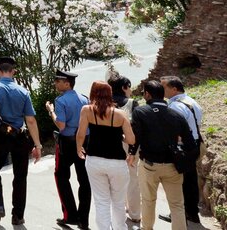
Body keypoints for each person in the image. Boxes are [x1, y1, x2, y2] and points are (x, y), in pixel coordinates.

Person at [0, 56, 42, 225]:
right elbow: (31, 120)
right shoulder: (23, 92)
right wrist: (37, 145)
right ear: (13, 72)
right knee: (20, 176)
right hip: (20, 136)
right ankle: (18, 215)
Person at [129, 80, 197, 230]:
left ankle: (147, 228)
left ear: (147, 94)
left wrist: (131, 153)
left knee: (148, 200)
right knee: (177, 205)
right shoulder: (177, 115)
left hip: (149, 165)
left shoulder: (140, 112)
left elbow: (136, 137)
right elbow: (191, 143)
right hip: (173, 165)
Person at [76, 80, 136, 230]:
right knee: (118, 201)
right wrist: (120, 137)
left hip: (94, 160)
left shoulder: (87, 110)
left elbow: (80, 134)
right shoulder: (120, 114)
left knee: (101, 201)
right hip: (116, 162)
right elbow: (131, 139)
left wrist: (78, 148)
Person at [47, 70, 90, 229]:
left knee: (61, 176)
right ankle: (83, 220)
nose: (56, 83)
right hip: (84, 141)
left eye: (58, 81)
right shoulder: (85, 99)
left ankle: (70, 215)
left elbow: (61, 125)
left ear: (67, 83)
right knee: (84, 181)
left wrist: (51, 111)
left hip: (67, 143)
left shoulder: (60, 101)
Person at [162, 76, 205, 225]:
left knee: (179, 182)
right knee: (191, 180)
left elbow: (175, 129)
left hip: (182, 146)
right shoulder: (192, 102)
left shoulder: (174, 106)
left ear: (174, 89)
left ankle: (180, 214)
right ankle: (192, 212)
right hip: (194, 143)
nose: (163, 90)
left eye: (165, 87)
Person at [109, 73, 141, 225]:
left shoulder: (105, 103)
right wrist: (133, 150)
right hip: (129, 145)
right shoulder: (132, 103)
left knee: (114, 179)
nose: (130, 90)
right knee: (132, 179)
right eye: (129, 87)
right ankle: (134, 213)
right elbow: (137, 129)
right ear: (124, 87)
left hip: (109, 145)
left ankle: (119, 210)